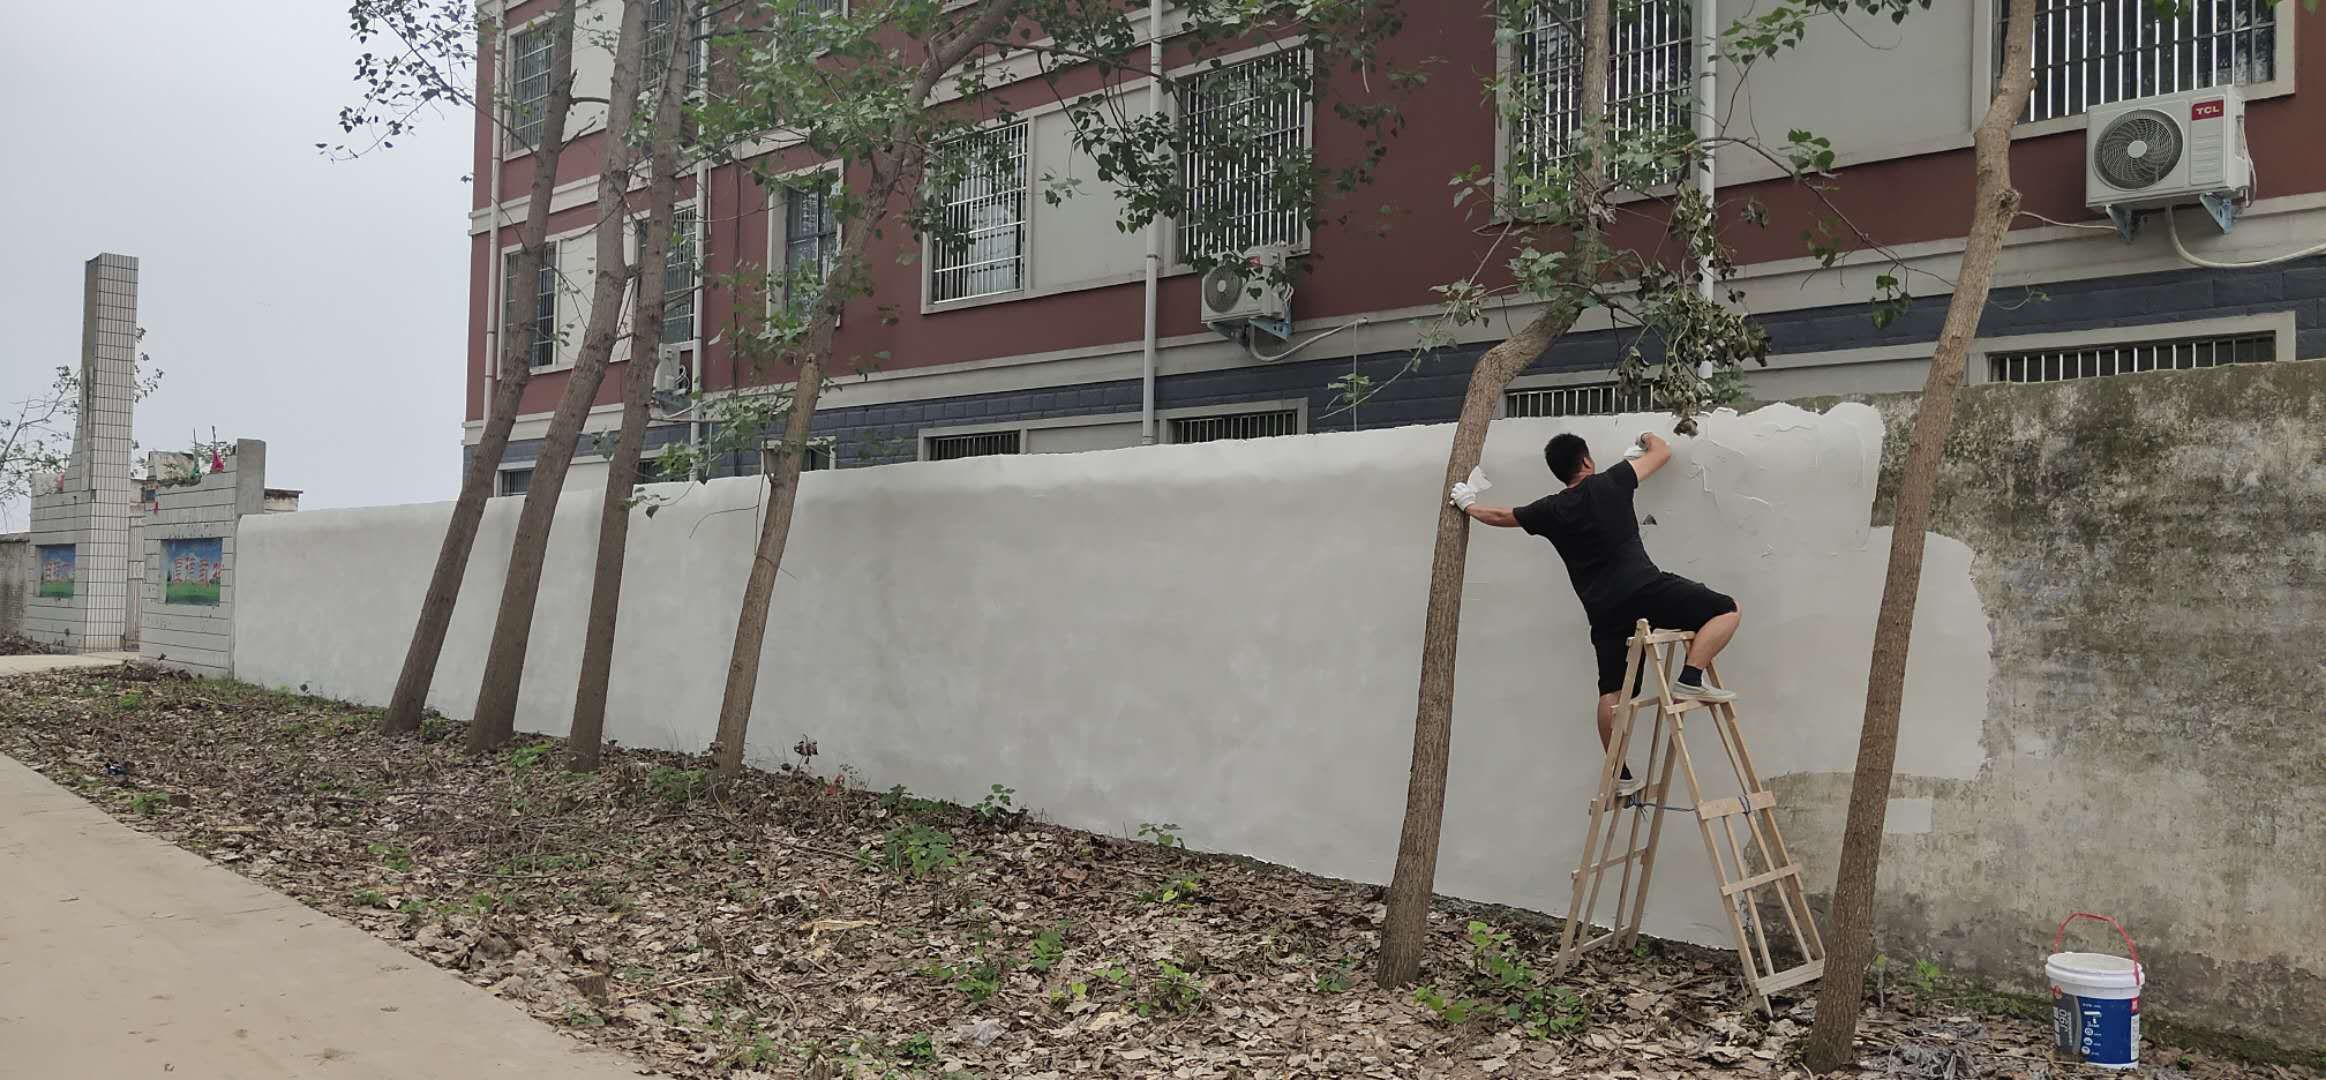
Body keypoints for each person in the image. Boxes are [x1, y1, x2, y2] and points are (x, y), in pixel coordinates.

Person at [1450, 431, 1741, 796]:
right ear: (1586, 460)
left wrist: (1468, 505)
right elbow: (1663, 452)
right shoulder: (1613, 481)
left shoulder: (1550, 510)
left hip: (1603, 611)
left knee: (1612, 691)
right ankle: (1691, 676)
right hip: (1646, 590)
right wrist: (1645, 439)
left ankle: (1620, 775)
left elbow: (1500, 515)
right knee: (1727, 609)